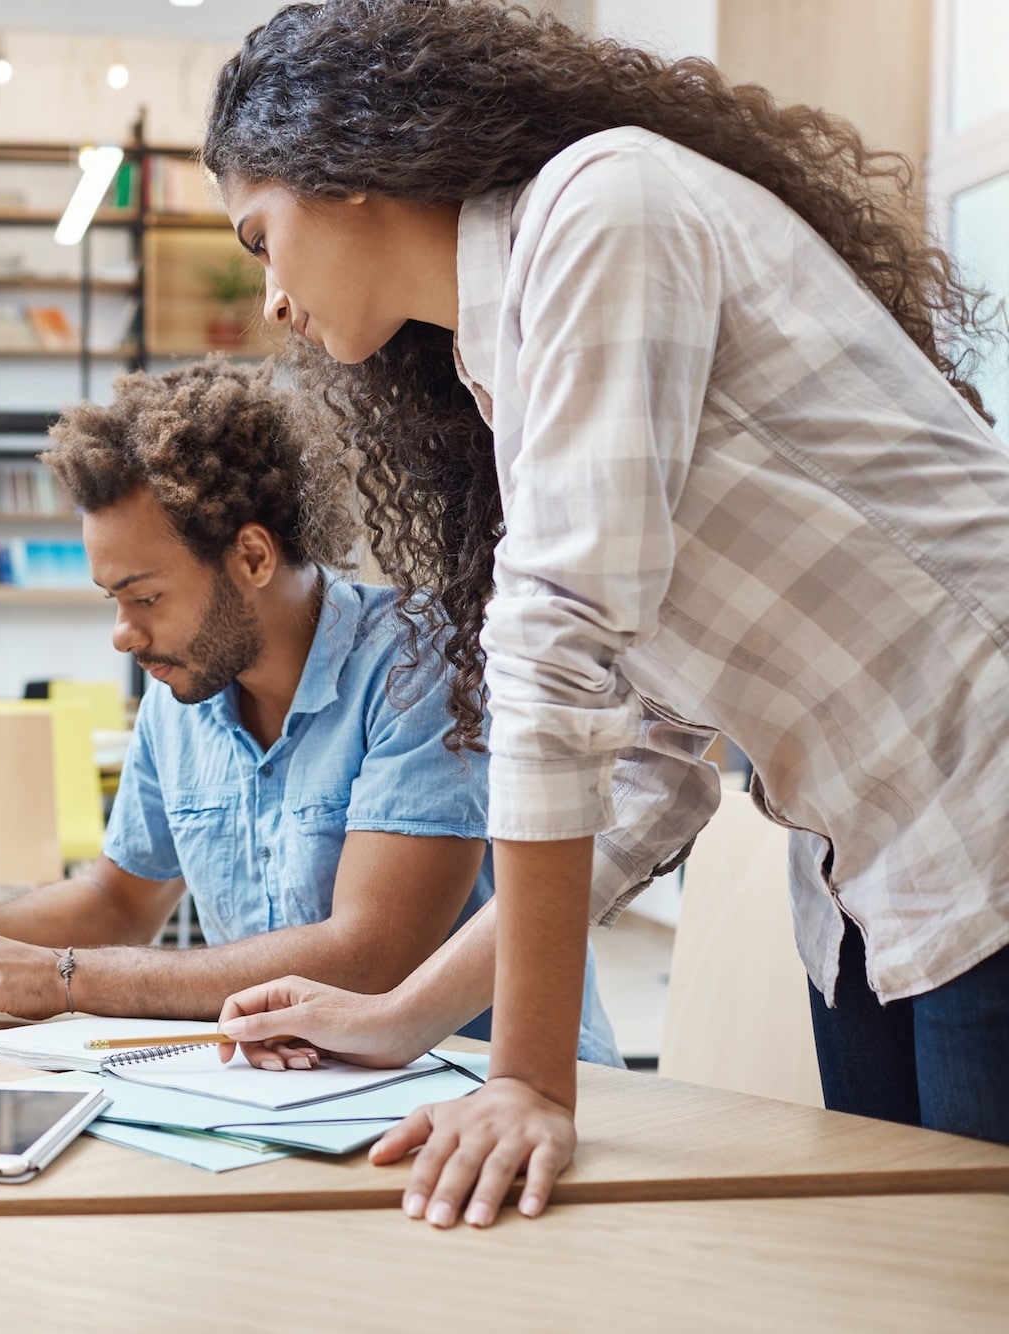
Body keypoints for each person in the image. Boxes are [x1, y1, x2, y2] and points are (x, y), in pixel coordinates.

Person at [200, 0, 1009, 1231]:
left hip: (979, 795)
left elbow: (556, 642)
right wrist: (409, 1011)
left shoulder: (598, 207)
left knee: (964, 1266)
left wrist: (524, 1074)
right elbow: (645, 765)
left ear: (342, 167)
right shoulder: (498, 349)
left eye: (260, 239)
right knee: (898, 1265)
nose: (269, 298)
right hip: (868, 869)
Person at [0, 360, 619, 1065]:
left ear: (254, 556)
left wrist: (64, 977)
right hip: (303, 1090)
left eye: (146, 597)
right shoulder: (184, 690)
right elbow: (119, 902)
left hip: (481, 1082)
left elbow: (370, 956)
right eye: (113, 600)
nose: (124, 635)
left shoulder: (416, 662)